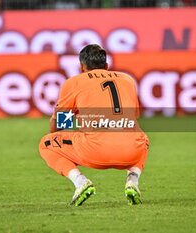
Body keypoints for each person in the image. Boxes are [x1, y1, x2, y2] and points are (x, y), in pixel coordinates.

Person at [38, 44, 149, 206]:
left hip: (94, 151)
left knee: (46, 143)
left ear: (82, 67)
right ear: (106, 66)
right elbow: (134, 117)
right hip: (130, 152)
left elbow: (60, 126)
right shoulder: (127, 80)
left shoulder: (74, 83)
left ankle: (80, 182)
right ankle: (132, 181)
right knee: (142, 138)